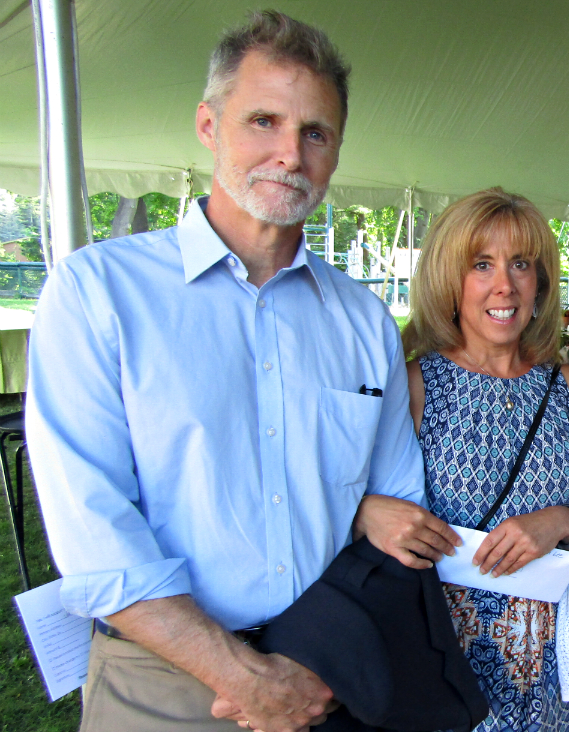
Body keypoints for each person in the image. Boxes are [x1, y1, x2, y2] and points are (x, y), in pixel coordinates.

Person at [26, 11, 448, 731]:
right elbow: (93, 529)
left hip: (322, 671)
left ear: (336, 151)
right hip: (161, 684)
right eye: (263, 121)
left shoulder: (362, 321)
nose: (290, 153)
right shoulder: (99, 293)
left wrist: (314, 659)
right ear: (208, 125)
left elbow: (396, 497)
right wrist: (240, 676)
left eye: (315, 133)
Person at [400, 187, 569, 731]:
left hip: (544, 664)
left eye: (521, 264)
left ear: (540, 284)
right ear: (449, 280)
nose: (504, 284)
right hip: (437, 658)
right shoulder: (417, 386)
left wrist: (561, 520)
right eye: (481, 265)